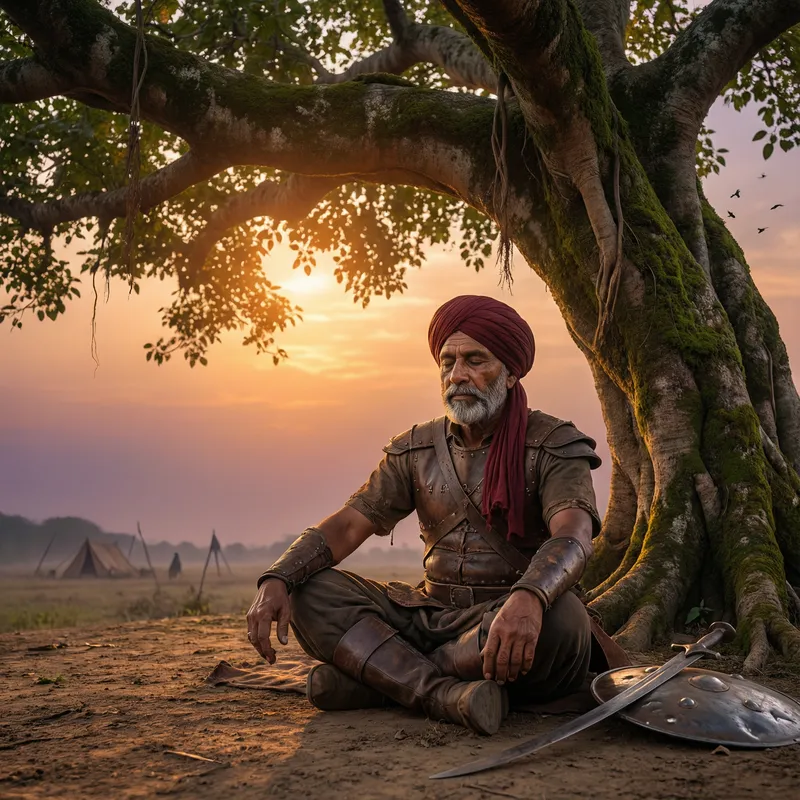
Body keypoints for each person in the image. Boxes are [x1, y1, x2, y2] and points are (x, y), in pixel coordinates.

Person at [246, 295, 626, 735]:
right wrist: (278, 576)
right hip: (428, 616)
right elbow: (350, 525)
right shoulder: (416, 448)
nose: (457, 374)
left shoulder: (554, 443)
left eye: (474, 360)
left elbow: (575, 536)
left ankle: (381, 681)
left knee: (564, 621)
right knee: (310, 592)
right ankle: (445, 694)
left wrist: (529, 598)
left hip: (507, 615)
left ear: (511, 371)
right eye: (447, 362)